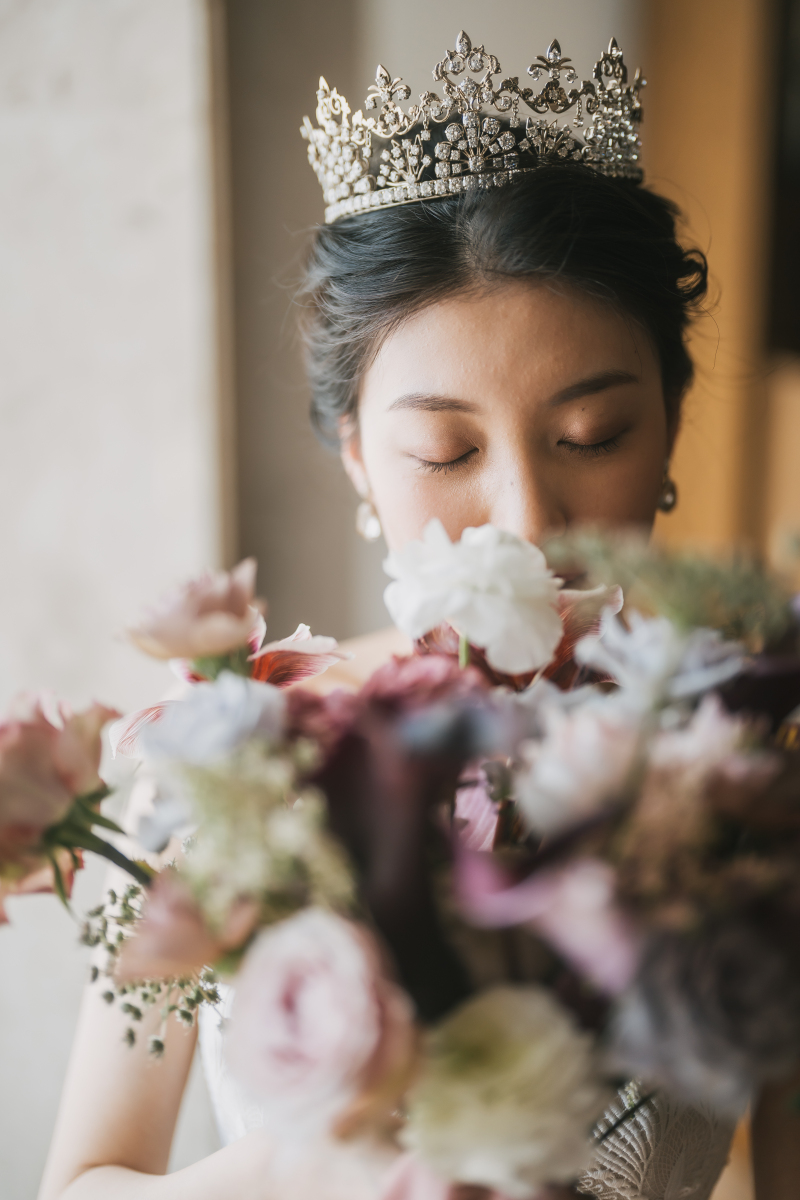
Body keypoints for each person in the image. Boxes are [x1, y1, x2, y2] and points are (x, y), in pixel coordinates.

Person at [38, 32, 800, 1200]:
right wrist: (306, 1162)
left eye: (591, 438)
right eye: (444, 451)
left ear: (668, 428)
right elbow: (83, 1179)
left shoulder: (750, 783)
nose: (523, 516)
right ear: (356, 458)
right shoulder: (233, 755)